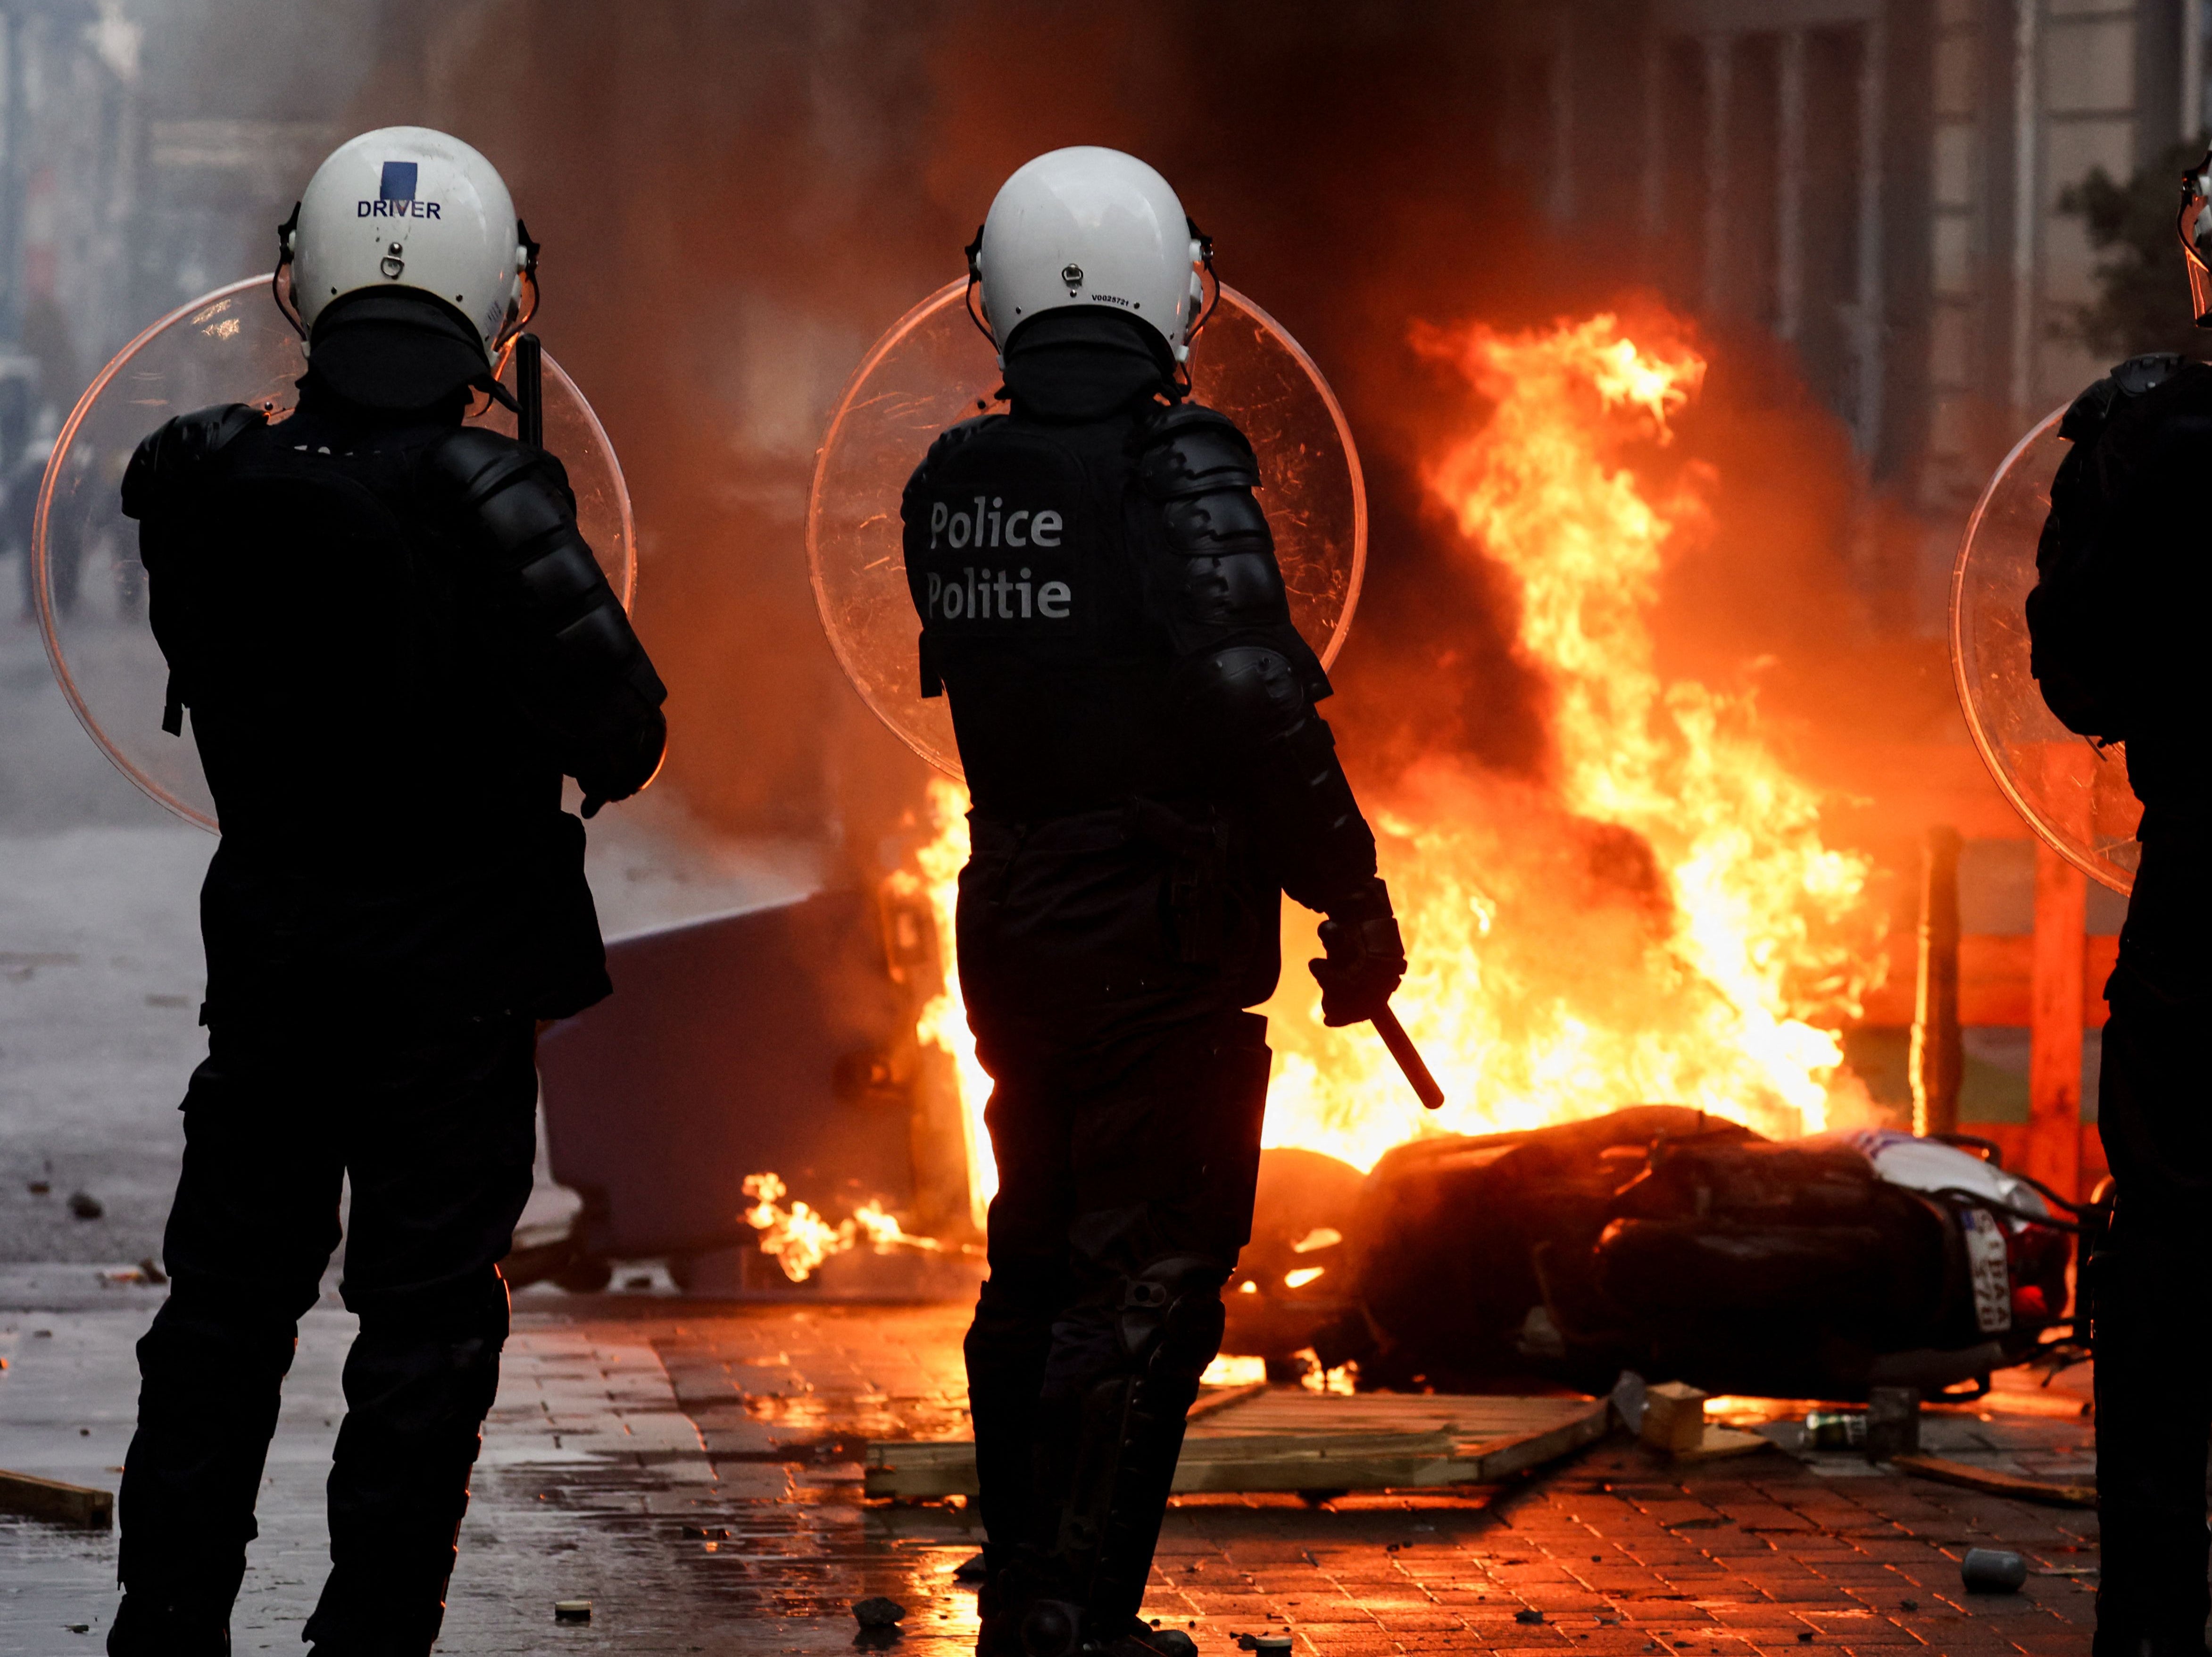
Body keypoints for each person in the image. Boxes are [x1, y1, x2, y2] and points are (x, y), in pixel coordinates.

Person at [107, 127, 667, 1657]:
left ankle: (164, 1627)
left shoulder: (208, 477)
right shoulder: (499, 496)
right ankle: (368, 1639)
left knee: (221, 1317)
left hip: (277, 972)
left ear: (309, 281)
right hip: (451, 997)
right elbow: (626, 735)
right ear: (496, 298)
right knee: (421, 1333)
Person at [903, 147, 1406, 1657]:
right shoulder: (1176, 465)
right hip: (1157, 926)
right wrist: (1353, 893)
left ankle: (1025, 1586)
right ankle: (1072, 1614)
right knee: (1150, 1280)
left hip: (1015, 913)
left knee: (1038, 1256)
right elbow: (1255, 698)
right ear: (1163, 292)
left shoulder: (950, 480)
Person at [2026, 148, 2212, 1657]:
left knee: (2166, 1254)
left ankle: (2149, 1628)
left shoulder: (2152, 441)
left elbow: (2073, 676)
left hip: (2207, 918)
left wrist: (2104, 480)